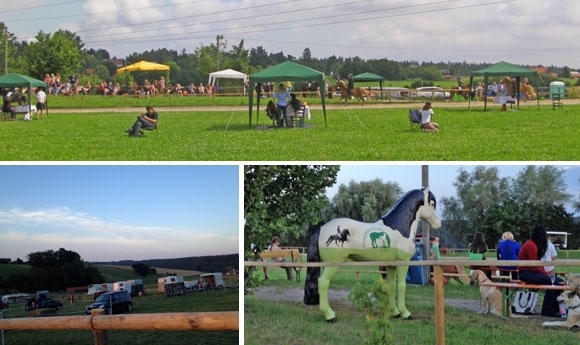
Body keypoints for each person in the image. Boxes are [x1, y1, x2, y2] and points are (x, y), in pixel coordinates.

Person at [518, 225, 564, 317]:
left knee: (559, 281)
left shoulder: (532, 244)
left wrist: (545, 273)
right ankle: (547, 309)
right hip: (525, 273)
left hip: (529, 272)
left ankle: (555, 308)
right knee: (554, 281)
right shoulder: (532, 246)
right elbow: (533, 266)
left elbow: (537, 265)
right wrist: (546, 274)